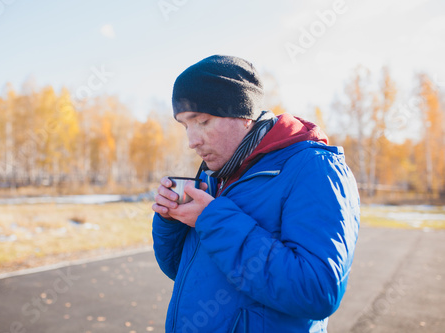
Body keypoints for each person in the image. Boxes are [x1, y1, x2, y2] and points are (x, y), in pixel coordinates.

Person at [152, 55, 360, 333]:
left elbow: (318, 291)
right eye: (185, 125)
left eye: (201, 121)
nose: (192, 141)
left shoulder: (314, 168)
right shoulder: (215, 176)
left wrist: (213, 220)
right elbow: (184, 272)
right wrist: (172, 221)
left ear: (243, 113)